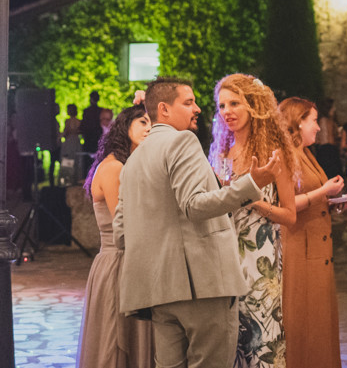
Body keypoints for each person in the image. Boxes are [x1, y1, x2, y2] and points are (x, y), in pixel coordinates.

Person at [115, 78, 280, 368]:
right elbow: (193, 205)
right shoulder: (182, 141)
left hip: (157, 291)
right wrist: (252, 184)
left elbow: (120, 232)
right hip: (201, 287)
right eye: (188, 102)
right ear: (164, 110)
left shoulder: (132, 160)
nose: (198, 109)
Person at [208, 74, 297, 368]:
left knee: (262, 339)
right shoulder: (220, 152)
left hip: (260, 261)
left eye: (235, 103)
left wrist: (253, 200)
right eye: (221, 106)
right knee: (229, 339)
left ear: (254, 106)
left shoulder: (274, 155)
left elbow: (290, 215)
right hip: (222, 256)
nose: (227, 111)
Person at [75, 104, 153, 368]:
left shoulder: (127, 165)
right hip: (119, 263)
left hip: (131, 259)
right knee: (114, 342)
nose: (149, 128)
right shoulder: (114, 168)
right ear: (124, 126)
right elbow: (126, 221)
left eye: (152, 123)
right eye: (143, 122)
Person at [278, 97, 346, 368]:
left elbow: (312, 197)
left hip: (317, 247)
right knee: (303, 320)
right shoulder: (284, 155)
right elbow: (285, 205)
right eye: (313, 121)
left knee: (320, 318)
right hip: (300, 248)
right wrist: (323, 192)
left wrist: (331, 202)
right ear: (297, 122)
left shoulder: (305, 152)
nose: (318, 127)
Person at [313, 98, 343, 180]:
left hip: (327, 150)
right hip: (327, 150)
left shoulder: (328, 121)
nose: (334, 109)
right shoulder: (324, 121)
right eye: (333, 107)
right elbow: (327, 137)